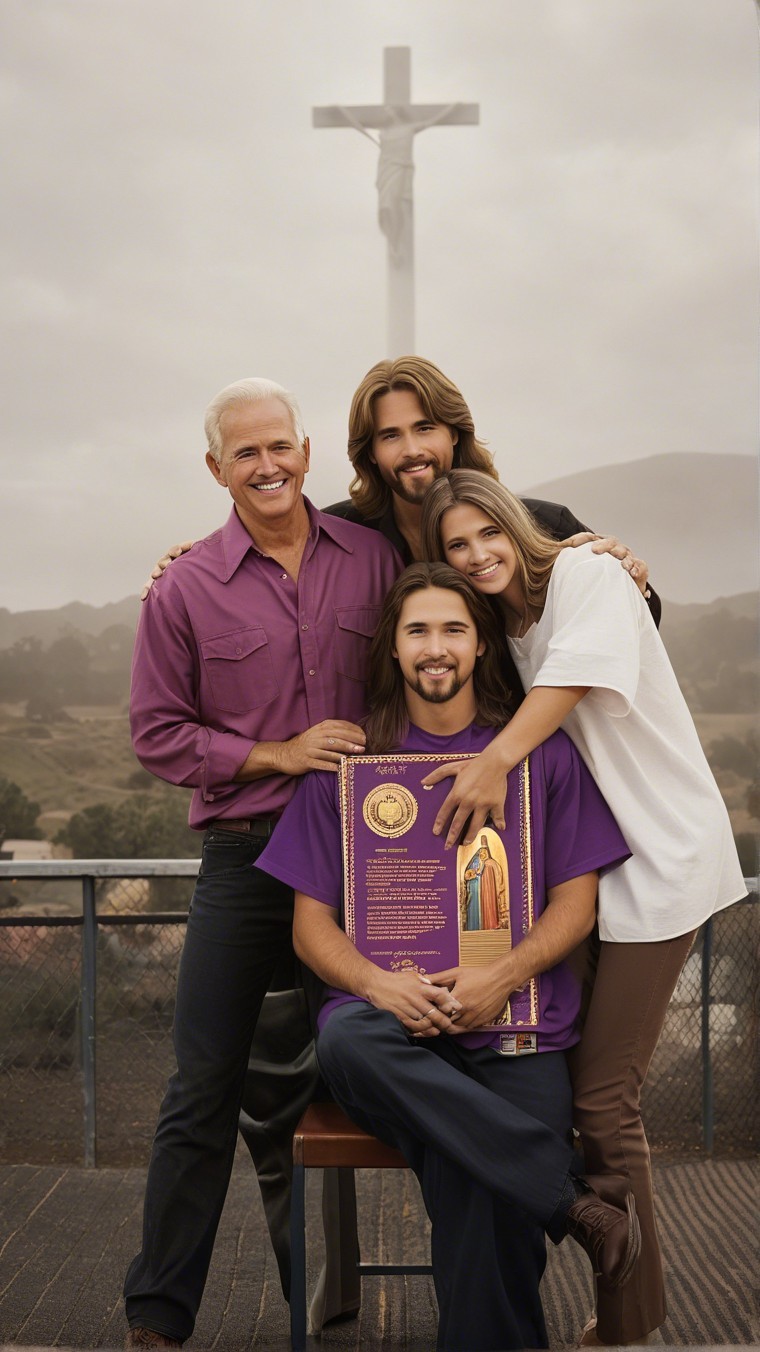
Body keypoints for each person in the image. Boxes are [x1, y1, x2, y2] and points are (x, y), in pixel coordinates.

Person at [256, 562, 638, 1352]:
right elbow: (310, 928)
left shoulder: (542, 757)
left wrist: (503, 973)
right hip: (391, 1039)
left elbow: (578, 904)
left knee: (476, 1174)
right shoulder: (348, 771)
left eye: (454, 629)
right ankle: (566, 1197)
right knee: (346, 1035)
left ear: (480, 645)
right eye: (418, 630)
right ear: (393, 649)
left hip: (515, 1032)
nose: (437, 648)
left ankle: (528, 1188)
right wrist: (375, 984)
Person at [418, 470, 748, 1346]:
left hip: (663, 857)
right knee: (557, 1089)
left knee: (605, 1103)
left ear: (519, 525)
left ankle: (627, 1326)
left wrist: (491, 762)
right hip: (595, 869)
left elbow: (563, 694)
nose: (478, 554)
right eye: (456, 546)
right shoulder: (509, 624)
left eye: (490, 533)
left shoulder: (587, 576)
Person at [124, 378, 401, 1349]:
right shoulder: (185, 586)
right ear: (216, 469)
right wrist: (278, 752)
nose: (267, 463)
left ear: (307, 448)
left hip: (366, 863)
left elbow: (457, 610)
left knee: (361, 1080)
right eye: (245, 453)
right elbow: (156, 732)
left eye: (278, 444)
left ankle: (343, 1316)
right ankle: (155, 1318)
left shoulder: (376, 558)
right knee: (200, 1090)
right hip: (246, 861)